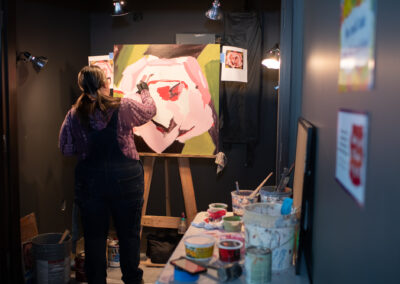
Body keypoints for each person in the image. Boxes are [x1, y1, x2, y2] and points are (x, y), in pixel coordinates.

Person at [59, 65, 156, 284]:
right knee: (129, 236)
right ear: (105, 84)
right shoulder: (122, 106)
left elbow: (65, 148)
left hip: (90, 183)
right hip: (126, 181)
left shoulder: (74, 113)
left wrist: (85, 149)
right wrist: (145, 91)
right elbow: (149, 111)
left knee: (94, 239)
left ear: (82, 86)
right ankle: (132, 280)